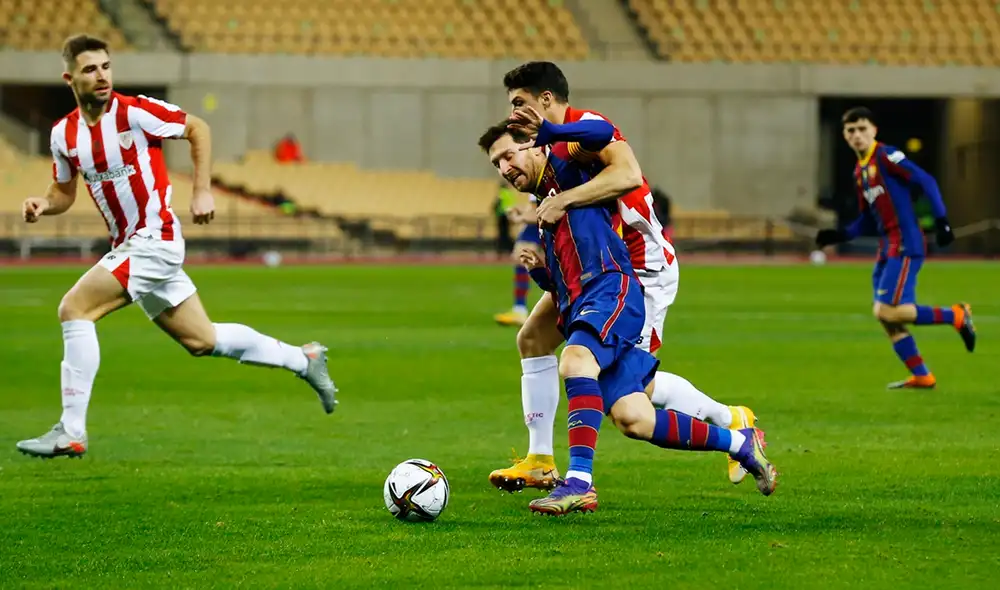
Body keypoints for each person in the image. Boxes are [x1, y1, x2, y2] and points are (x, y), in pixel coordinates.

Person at [15, 34, 337, 459]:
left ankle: (71, 431)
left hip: (155, 240)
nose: (102, 76)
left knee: (74, 309)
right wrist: (44, 204)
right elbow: (63, 192)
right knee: (202, 339)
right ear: (69, 78)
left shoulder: (134, 112)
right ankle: (303, 359)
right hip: (130, 246)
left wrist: (201, 190)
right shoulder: (64, 135)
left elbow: (197, 128)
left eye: (106, 66)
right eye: (90, 69)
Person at [478, 118, 776, 515]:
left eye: (508, 155)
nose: (504, 168)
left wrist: (551, 129)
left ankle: (578, 482)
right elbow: (567, 272)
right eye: (496, 163)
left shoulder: (568, 165)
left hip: (615, 289)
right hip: (584, 299)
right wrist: (541, 272)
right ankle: (740, 441)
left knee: (575, 360)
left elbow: (602, 135)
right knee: (634, 417)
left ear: (534, 143)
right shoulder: (545, 198)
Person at [816, 107, 976, 389]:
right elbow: (867, 218)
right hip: (887, 246)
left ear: (874, 130)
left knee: (891, 311)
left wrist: (942, 220)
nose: (857, 135)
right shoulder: (860, 171)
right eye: (851, 130)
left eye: (862, 128)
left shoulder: (886, 155)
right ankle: (922, 375)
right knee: (882, 313)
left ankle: (956, 315)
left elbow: (925, 180)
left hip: (905, 242)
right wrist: (840, 235)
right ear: (845, 135)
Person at [493, 180, 542, 327]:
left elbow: (538, 213)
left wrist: (518, 218)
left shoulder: (541, 179)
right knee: (524, 259)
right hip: (544, 225)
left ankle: (520, 309)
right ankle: (520, 308)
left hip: (540, 226)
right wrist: (522, 211)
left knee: (523, 256)